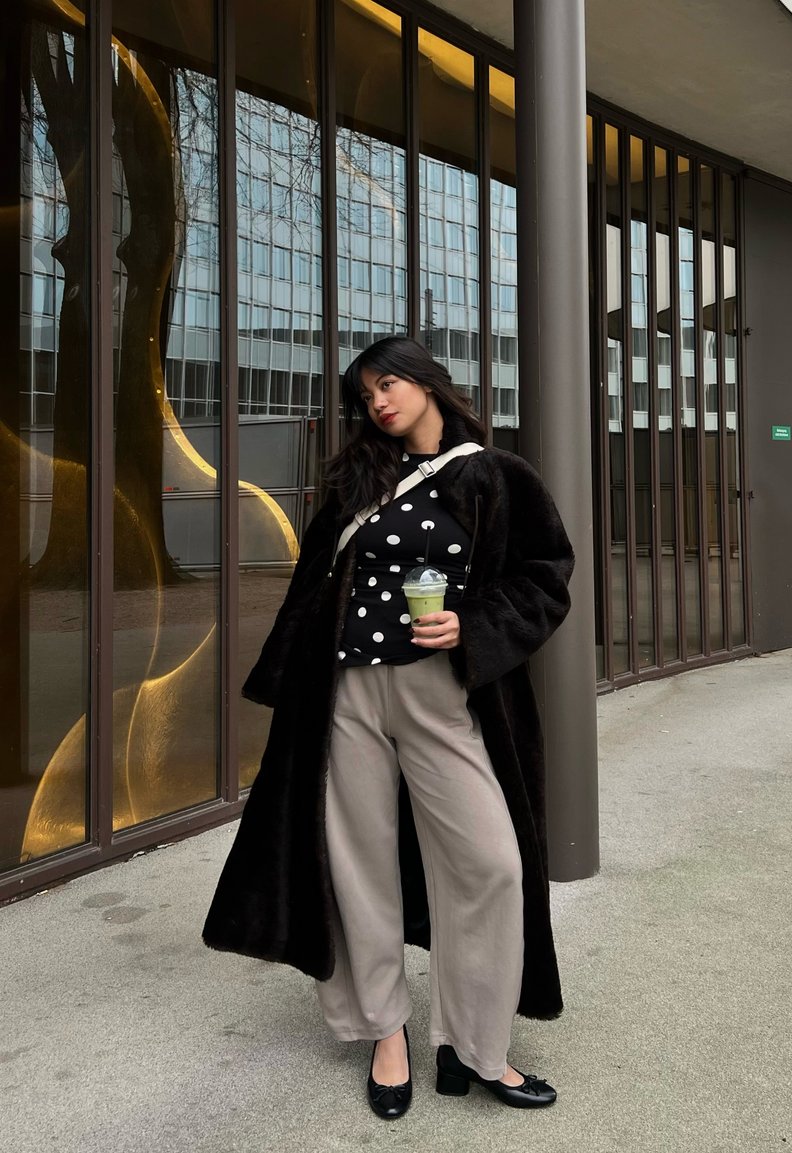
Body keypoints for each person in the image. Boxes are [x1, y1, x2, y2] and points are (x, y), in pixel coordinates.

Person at [203, 336, 575, 1119]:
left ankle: (477, 1047)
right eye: (367, 393)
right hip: (346, 695)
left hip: (442, 694)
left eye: (391, 382)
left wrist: (473, 627)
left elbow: (545, 577)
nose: (379, 400)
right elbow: (313, 580)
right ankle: (386, 1033)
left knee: (491, 863)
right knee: (357, 864)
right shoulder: (356, 481)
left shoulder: (496, 477)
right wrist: (289, 674)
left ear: (429, 382)